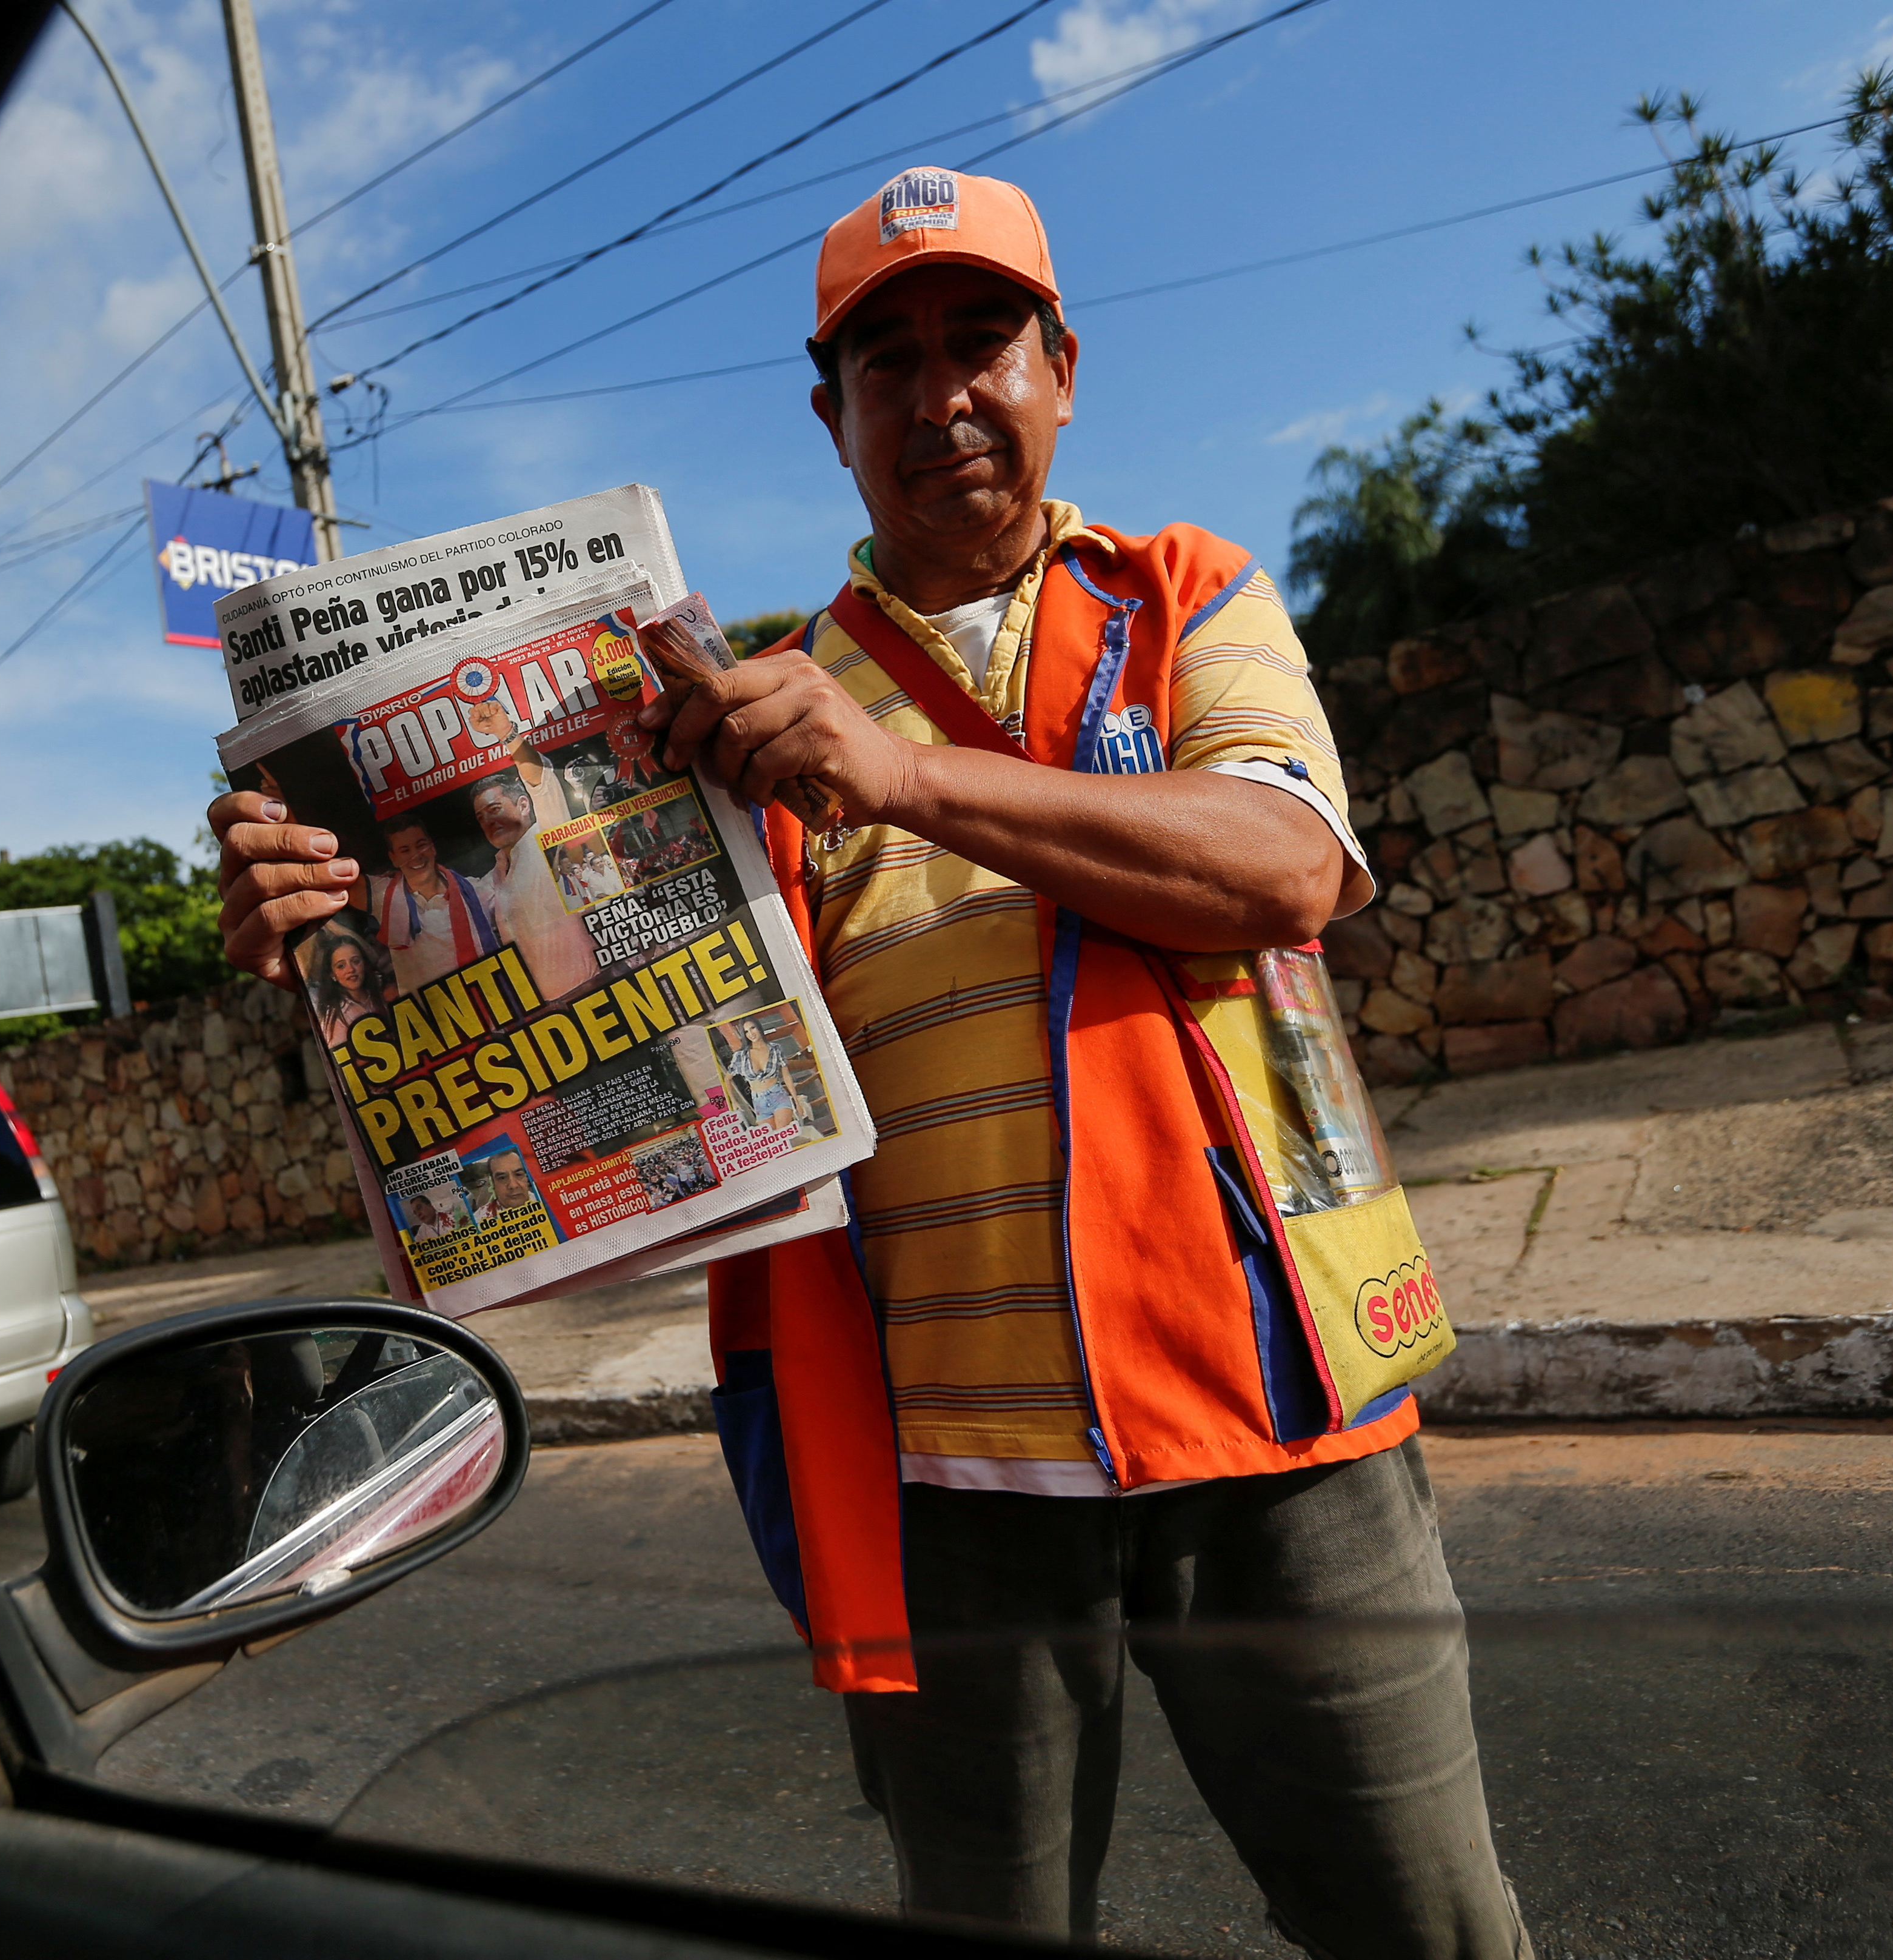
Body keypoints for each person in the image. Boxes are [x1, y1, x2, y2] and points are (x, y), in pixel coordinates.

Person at [201, 164, 1524, 1956]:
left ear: (1061, 369)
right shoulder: (732, 720)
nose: (939, 394)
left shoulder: (1181, 596)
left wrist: (905, 780)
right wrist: (340, 933)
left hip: (1284, 1426)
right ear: (828, 420)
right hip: (942, 1497)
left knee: (1430, 1930)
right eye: (882, 363)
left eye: (982, 342)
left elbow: (1283, 867)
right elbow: (625, 1109)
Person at [468, 768, 599, 1002]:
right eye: (480, 817)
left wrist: (508, 736)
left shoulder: (549, 838)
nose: (488, 821)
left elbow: (544, 785)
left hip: (593, 989)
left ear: (524, 805)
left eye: (494, 809)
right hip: (547, 1008)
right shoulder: (497, 874)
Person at [370, 815, 500, 991]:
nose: (416, 856)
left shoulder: (477, 890)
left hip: (494, 998)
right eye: (405, 850)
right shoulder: (385, 904)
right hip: (435, 1013)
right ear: (394, 859)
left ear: (432, 847)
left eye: (421, 845)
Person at [300, 928, 393, 1049]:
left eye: (356, 961)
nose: (351, 970)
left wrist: (329, 923)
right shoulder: (336, 1017)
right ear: (333, 975)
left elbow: (372, 954)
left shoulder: (382, 990)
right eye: (341, 966)